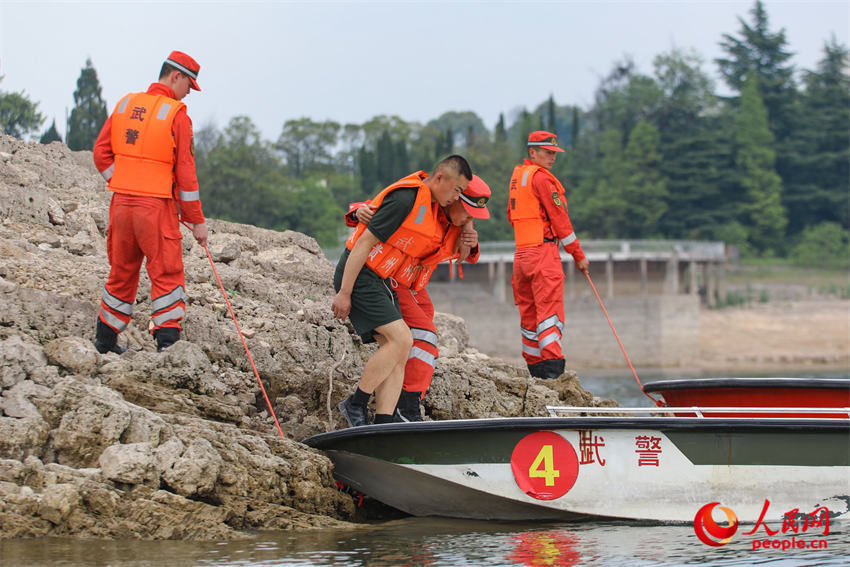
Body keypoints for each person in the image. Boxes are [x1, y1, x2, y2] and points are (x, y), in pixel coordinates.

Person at [332, 155, 472, 427]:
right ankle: (356, 403)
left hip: (381, 279)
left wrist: (468, 224)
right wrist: (344, 292)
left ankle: (384, 422)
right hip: (360, 275)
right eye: (456, 190)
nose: (457, 197)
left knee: (396, 349)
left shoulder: (431, 206)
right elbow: (363, 244)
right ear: (440, 177)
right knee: (403, 340)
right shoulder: (407, 199)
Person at [92, 51, 209, 355]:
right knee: (167, 274)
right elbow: (186, 174)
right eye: (189, 86)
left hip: (121, 205)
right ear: (176, 76)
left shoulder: (126, 104)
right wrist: (196, 221)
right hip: (155, 210)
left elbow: (100, 154)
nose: (188, 94)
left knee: (121, 271)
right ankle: (168, 347)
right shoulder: (177, 114)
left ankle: (104, 341)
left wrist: (124, 181)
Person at [507, 131, 589, 379]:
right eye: (547, 152)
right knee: (549, 311)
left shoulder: (518, 179)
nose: (552, 158)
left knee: (529, 312)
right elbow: (560, 220)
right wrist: (578, 255)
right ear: (533, 152)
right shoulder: (543, 180)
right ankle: (553, 370)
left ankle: (535, 370)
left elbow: (511, 216)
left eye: (554, 153)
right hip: (543, 253)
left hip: (521, 254)